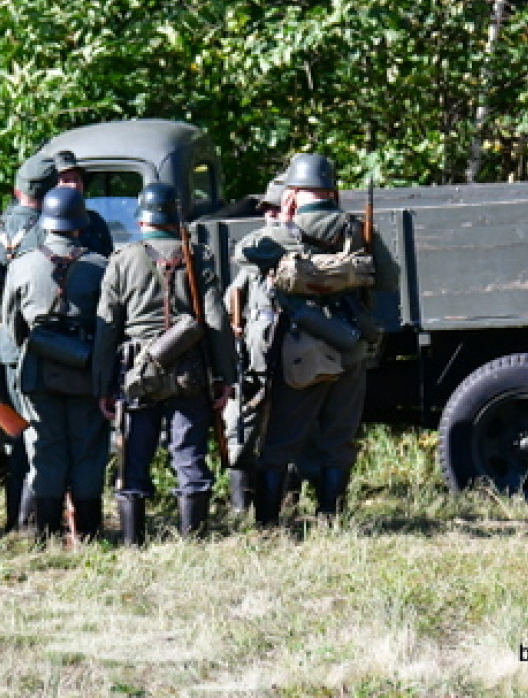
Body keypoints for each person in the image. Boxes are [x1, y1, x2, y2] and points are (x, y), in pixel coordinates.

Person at [233, 153, 378, 525]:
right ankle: (330, 517)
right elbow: (387, 281)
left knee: (281, 440)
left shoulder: (279, 233)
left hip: (300, 350)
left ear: (293, 192)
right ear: (332, 189)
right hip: (348, 344)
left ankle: (267, 524)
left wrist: (284, 217)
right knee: (338, 438)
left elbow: (242, 254)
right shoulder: (356, 230)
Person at [93, 182, 235, 545]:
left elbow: (106, 330)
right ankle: (195, 540)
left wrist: (103, 385)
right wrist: (225, 376)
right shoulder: (197, 255)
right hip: (190, 372)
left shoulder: (122, 260)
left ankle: (132, 542)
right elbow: (217, 321)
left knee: (133, 460)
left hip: (136, 373)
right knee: (190, 457)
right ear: (176, 217)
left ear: (141, 220)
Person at [0, 187, 109, 542]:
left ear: (45, 224)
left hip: (37, 372)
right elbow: (109, 326)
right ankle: (89, 532)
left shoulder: (21, 265)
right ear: (79, 224)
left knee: (44, 449)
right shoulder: (99, 266)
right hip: (85, 370)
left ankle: (43, 534)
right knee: (88, 448)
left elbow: (12, 327)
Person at [0, 154, 57, 533]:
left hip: (4, 345)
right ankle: (35, 521)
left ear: (17, 190)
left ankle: (15, 518)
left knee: (15, 437)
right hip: (40, 345)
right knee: (40, 434)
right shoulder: (49, 233)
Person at [222, 174, 284, 515]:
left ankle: (279, 502)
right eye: (266, 210)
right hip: (255, 351)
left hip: (293, 350)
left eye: (276, 209)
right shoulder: (254, 246)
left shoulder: (300, 243)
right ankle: (241, 505)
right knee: (241, 426)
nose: (270, 215)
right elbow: (236, 292)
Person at [53, 150, 114, 258]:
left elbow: (109, 259)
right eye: (66, 180)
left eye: (77, 179)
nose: (74, 185)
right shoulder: (44, 223)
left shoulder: (95, 221)